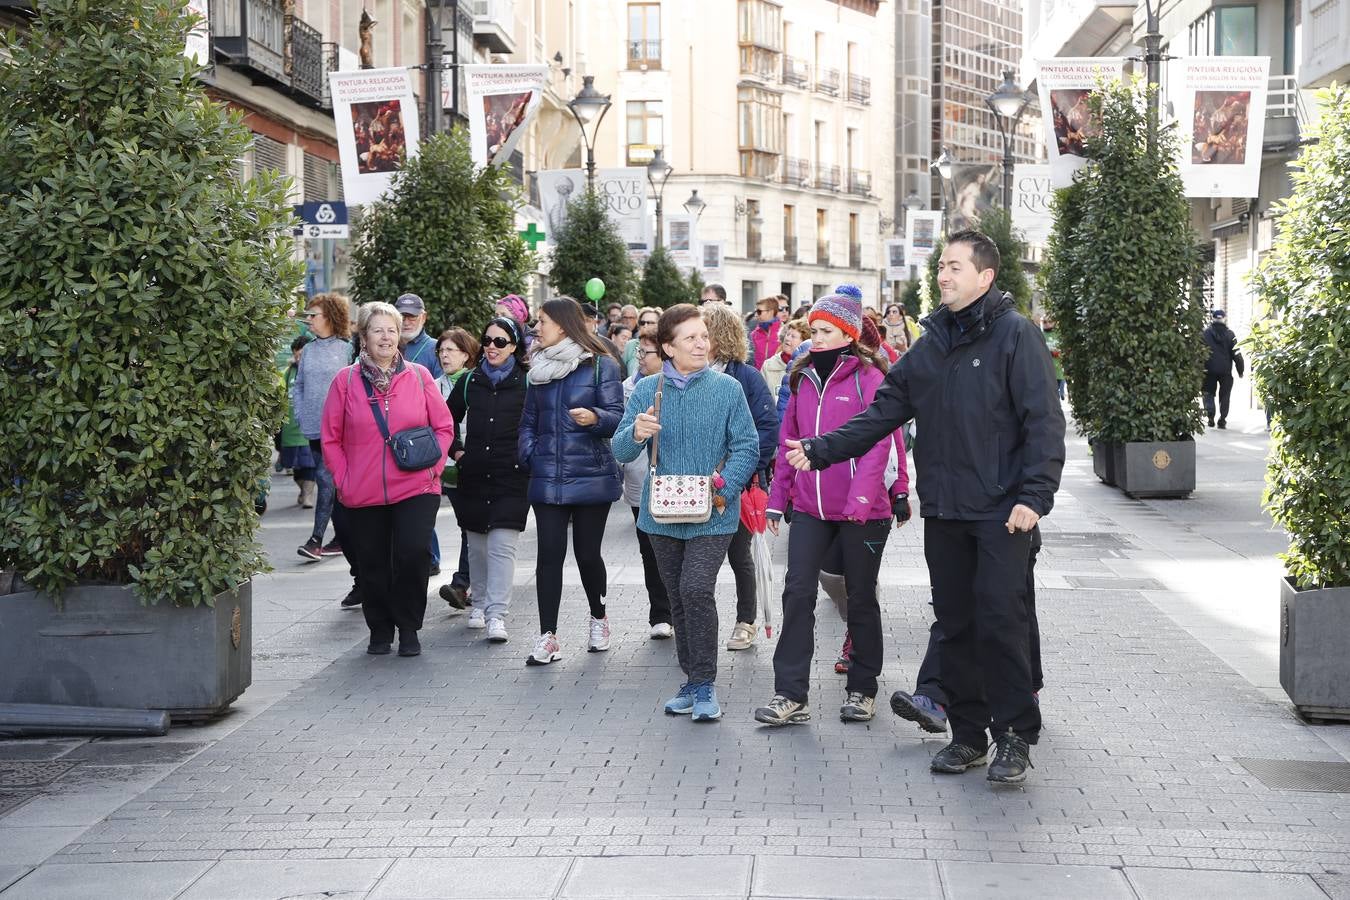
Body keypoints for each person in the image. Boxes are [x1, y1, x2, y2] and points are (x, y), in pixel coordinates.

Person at [785, 230, 1065, 785]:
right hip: (946, 511)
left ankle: (1014, 735)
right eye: (941, 265)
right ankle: (967, 736)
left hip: (1004, 512)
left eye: (956, 266)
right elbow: (878, 415)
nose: (943, 274)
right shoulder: (930, 346)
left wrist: (1034, 497)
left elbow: (1044, 423)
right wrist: (819, 451)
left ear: (985, 277)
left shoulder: (1015, 336)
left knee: (1001, 622)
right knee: (955, 624)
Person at [755, 293, 910, 727]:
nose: (815, 339)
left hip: (863, 511)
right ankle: (790, 694)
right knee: (797, 591)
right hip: (810, 506)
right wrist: (776, 500)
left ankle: (863, 688)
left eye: (824, 331)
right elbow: (789, 444)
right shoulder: (800, 377)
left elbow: (881, 440)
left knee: (861, 598)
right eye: (813, 331)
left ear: (848, 333)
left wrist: (865, 498)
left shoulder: (870, 376)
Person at [612, 304, 759, 722]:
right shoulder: (648, 389)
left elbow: (747, 446)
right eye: (691, 338)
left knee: (696, 589)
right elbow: (621, 449)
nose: (701, 343)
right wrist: (635, 432)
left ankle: (706, 683)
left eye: (704, 336)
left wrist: (723, 488)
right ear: (668, 348)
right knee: (676, 596)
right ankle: (691, 680)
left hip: (712, 512)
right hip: (660, 512)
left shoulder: (727, 389)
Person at [321, 302, 454, 657]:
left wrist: (433, 467)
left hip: (416, 485)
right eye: (378, 330)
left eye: (392, 330)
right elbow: (330, 437)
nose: (386, 337)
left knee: (412, 555)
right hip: (362, 491)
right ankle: (380, 628)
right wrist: (344, 479)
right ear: (363, 337)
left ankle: (409, 627)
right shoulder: (344, 381)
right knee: (373, 563)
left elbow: (443, 427)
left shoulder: (419, 376)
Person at [518, 297, 626, 666]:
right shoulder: (537, 369)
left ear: (563, 325)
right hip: (547, 474)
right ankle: (548, 635)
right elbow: (529, 421)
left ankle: (599, 619)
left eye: (542, 321)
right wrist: (530, 453)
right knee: (548, 556)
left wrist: (594, 417)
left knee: (586, 554)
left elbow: (617, 418)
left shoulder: (601, 366)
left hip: (591, 474)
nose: (537, 328)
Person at [447, 317, 531, 644]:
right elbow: (445, 419)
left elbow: (538, 422)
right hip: (474, 475)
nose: (491, 347)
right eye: (487, 340)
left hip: (512, 478)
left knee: (501, 548)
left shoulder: (528, 381)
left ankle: (497, 614)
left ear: (514, 346)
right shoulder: (470, 381)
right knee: (478, 548)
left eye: (500, 341)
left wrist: (528, 455)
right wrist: (457, 452)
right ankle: (479, 603)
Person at [701, 303, 779, 652]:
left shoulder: (747, 377)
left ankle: (745, 621)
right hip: (695, 484)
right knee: (697, 558)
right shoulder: (687, 374)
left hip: (739, 484)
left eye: (703, 332)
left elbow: (767, 429)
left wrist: (739, 470)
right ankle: (692, 623)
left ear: (718, 335)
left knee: (738, 554)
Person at [619, 324, 674, 639]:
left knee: (672, 550)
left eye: (646, 352)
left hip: (674, 484)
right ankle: (660, 614)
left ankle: (676, 608)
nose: (640, 357)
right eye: (638, 352)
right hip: (640, 481)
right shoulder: (629, 387)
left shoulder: (675, 386)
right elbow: (622, 439)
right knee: (648, 550)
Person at [292, 293, 353, 564]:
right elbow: (300, 384)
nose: (309, 321)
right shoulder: (310, 350)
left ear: (329, 317)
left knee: (325, 478)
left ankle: (316, 540)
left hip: (340, 430)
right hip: (313, 427)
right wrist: (300, 412)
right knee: (330, 482)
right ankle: (341, 538)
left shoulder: (347, 349)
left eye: (313, 315)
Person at [395, 292, 445, 576]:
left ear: (424, 317)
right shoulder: (385, 345)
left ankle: (431, 557)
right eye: (402, 315)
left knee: (420, 503)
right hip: (390, 439)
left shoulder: (434, 348)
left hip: (420, 440)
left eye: (413, 315)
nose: (407, 320)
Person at [434, 328, 479, 610]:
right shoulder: (432, 384)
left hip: (472, 465)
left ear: (466, 354)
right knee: (468, 527)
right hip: (445, 469)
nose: (444, 355)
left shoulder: (476, 383)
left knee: (469, 527)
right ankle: (466, 582)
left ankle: (463, 584)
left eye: (451, 350)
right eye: (441, 350)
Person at [280, 335, 317, 509]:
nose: (298, 359)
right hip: (290, 427)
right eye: (296, 355)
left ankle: (308, 494)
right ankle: (303, 489)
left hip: (309, 425)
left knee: (309, 463)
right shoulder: (288, 372)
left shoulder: (316, 371)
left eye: (301, 355)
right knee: (294, 465)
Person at [1202, 308, 1244, 429]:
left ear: (1213, 319)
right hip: (1226, 371)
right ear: (1224, 319)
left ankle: (1210, 416)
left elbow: (1198, 352)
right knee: (1225, 395)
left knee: (1208, 393)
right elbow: (1237, 354)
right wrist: (1240, 370)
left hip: (1209, 370)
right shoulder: (1230, 334)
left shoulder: (1205, 334)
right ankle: (1222, 419)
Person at [761, 319, 810, 397]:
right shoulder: (768, 365)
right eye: (787, 334)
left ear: (804, 342)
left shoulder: (809, 368)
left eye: (793, 336)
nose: (787, 339)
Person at [624, 306, 662, 376]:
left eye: (650, 322)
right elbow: (622, 372)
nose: (645, 325)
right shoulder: (630, 345)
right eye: (642, 322)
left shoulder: (664, 345)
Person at [750, 296, 783, 369]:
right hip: (757, 376)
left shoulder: (783, 332)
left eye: (759, 311)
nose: (756, 315)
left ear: (771, 312)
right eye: (756, 311)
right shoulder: (753, 334)